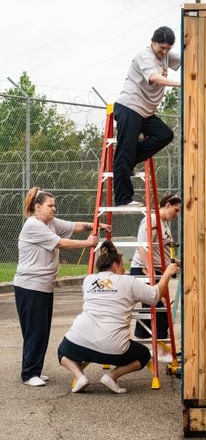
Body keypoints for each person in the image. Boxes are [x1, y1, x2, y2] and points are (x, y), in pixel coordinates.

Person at [13, 187, 109, 387]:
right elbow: (61, 244)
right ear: (37, 207)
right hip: (30, 287)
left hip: (43, 286)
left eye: (54, 205)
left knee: (41, 330)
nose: (54, 209)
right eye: (50, 205)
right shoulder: (34, 225)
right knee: (35, 331)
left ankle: (34, 369)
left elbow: (74, 226)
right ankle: (29, 373)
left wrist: (96, 225)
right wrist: (88, 243)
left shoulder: (50, 223)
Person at [58, 241, 178, 393]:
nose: (124, 269)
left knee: (61, 352)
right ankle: (111, 376)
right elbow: (154, 296)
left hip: (79, 342)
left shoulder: (88, 280)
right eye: (122, 265)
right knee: (143, 355)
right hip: (113, 349)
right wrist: (167, 273)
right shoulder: (128, 281)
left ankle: (80, 376)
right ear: (115, 265)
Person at [113, 26, 181, 206]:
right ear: (153, 42)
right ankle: (123, 198)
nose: (164, 52)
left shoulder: (166, 55)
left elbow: (187, 58)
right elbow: (154, 78)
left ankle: (130, 159)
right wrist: (180, 84)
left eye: (168, 48)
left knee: (165, 134)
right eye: (161, 48)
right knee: (124, 150)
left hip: (145, 112)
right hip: (130, 106)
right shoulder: (145, 56)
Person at [130, 193, 181, 361]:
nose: (176, 214)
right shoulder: (152, 220)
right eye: (175, 209)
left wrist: (176, 263)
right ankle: (159, 350)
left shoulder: (163, 223)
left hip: (158, 270)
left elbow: (161, 251)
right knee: (159, 308)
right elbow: (143, 247)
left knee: (158, 308)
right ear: (167, 205)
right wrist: (150, 270)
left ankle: (152, 342)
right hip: (145, 270)